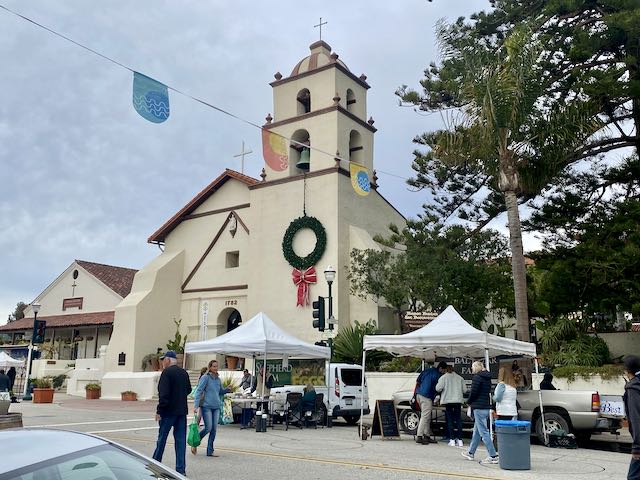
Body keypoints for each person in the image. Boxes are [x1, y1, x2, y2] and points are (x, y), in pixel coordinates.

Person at [152, 350, 192, 476]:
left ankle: (155, 464)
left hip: (168, 412)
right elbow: (189, 389)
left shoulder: (166, 373)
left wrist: (159, 410)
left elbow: (163, 394)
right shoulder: (183, 372)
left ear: (168, 360)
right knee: (180, 441)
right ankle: (181, 469)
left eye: (163, 360)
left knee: (162, 439)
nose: (162, 362)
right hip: (181, 411)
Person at [461, 361, 499, 464]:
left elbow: (474, 392)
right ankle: (471, 452)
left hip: (478, 407)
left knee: (483, 432)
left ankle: (493, 455)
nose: (472, 370)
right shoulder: (487, 378)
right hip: (486, 406)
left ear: (476, 368)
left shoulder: (477, 378)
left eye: (472, 368)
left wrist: (468, 402)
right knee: (477, 431)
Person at [192, 359, 231, 457]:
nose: (216, 368)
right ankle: (195, 442)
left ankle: (210, 451)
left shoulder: (218, 379)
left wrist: (227, 389)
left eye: (217, 366)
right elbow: (199, 391)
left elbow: (220, 391)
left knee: (214, 430)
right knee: (208, 428)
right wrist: (196, 406)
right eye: (214, 366)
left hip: (216, 407)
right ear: (210, 367)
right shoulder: (205, 378)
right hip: (207, 407)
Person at [415, 361, 448, 445]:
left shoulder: (427, 370)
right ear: (440, 368)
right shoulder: (437, 375)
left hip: (419, 394)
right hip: (426, 396)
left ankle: (427, 435)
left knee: (427, 416)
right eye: (444, 371)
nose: (444, 373)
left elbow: (418, 380)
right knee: (425, 416)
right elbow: (437, 389)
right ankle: (419, 436)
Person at [435, 364, 467, 447]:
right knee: (458, 419)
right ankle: (460, 440)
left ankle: (452, 439)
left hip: (448, 401)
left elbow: (438, 388)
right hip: (458, 401)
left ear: (446, 370)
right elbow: (465, 390)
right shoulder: (460, 378)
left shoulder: (443, 377)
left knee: (449, 420)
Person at [623, 355, 640, 480]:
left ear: (627, 371)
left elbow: (636, 418)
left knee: (633, 477)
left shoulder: (634, 388)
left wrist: (637, 448)